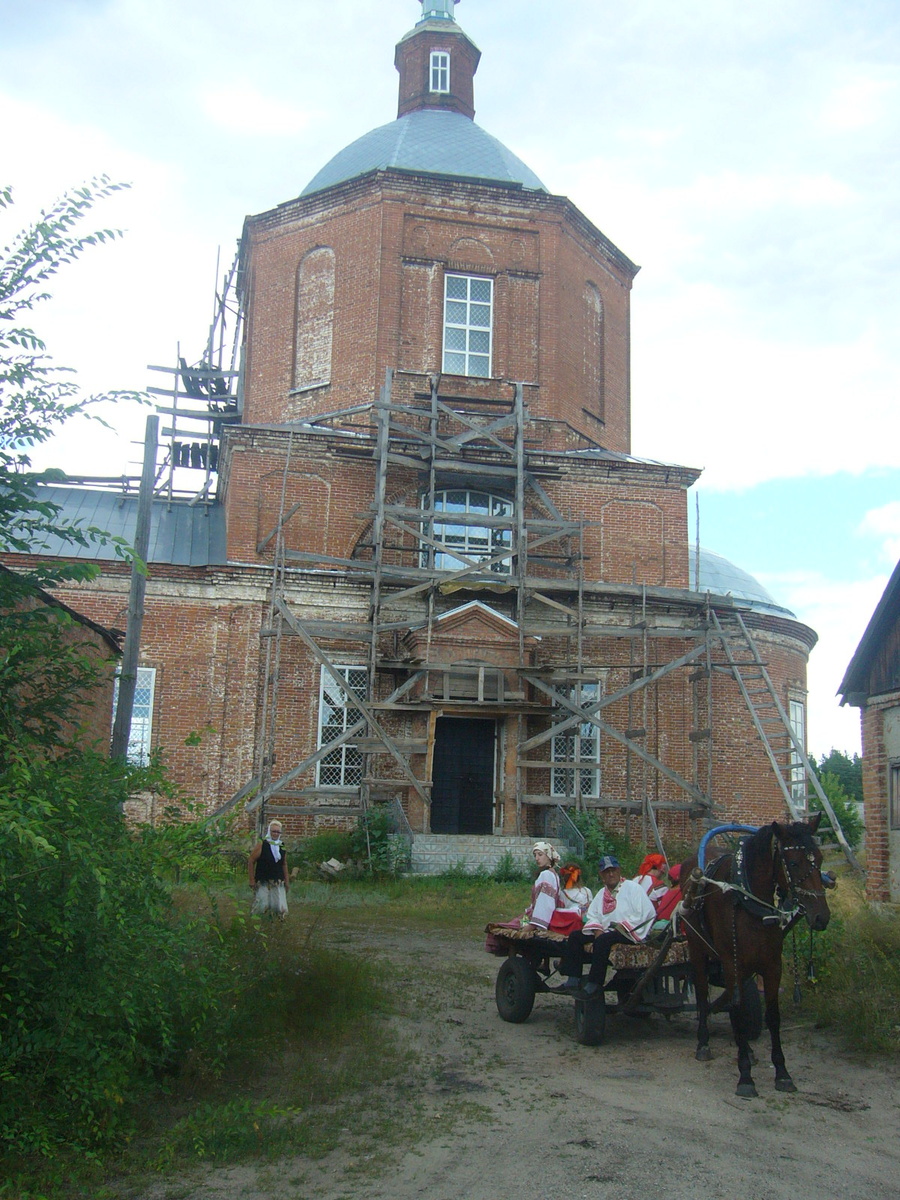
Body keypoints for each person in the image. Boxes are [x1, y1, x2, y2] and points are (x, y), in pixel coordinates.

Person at [560, 855, 656, 995]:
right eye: (607, 871)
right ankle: (573, 979)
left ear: (619, 871)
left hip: (628, 932)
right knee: (575, 936)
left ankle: (594, 983)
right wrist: (597, 930)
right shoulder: (601, 893)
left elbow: (645, 912)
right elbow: (593, 915)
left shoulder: (633, 888)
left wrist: (622, 927)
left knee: (604, 941)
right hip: (607, 932)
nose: (611, 874)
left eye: (613, 870)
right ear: (602, 874)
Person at [522, 842, 582, 934]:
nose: (537, 858)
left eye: (540, 854)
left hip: (540, 920)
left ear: (549, 856)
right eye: (535, 855)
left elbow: (545, 902)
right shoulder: (553, 874)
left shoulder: (546, 875)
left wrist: (533, 924)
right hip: (535, 915)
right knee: (516, 923)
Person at [249, 820, 289, 918]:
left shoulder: (281, 845)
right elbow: (251, 861)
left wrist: (287, 881)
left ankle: (276, 926)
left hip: (277, 880)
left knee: (279, 907)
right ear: (269, 831)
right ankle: (256, 925)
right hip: (263, 879)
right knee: (262, 905)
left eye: (278, 832)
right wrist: (251, 880)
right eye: (273, 831)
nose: (275, 834)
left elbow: (284, 863)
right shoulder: (262, 844)